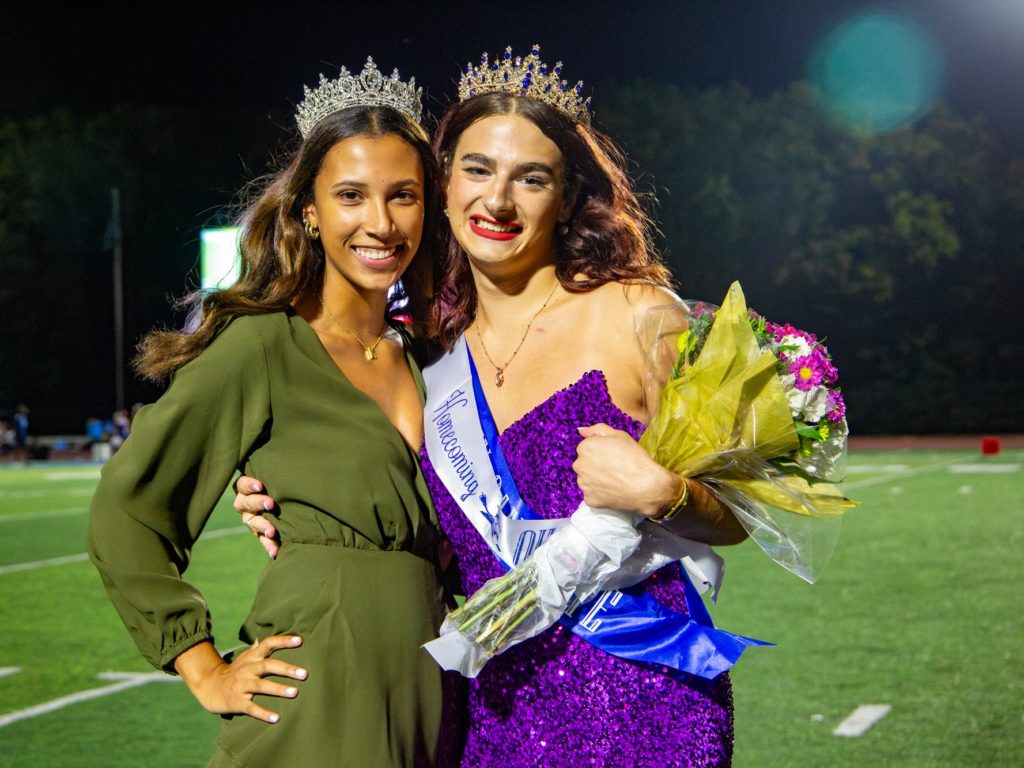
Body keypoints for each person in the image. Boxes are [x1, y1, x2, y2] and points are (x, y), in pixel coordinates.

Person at [237, 47, 747, 766]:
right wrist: (283, 495)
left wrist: (664, 493)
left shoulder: (639, 315)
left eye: (530, 178)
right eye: (476, 170)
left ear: (567, 197)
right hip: (490, 704)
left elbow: (734, 518)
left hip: (645, 701)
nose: (497, 201)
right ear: (443, 188)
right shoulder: (425, 359)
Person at [88, 58, 457, 767]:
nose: (379, 222)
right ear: (310, 212)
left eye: (402, 195)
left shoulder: (428, 358)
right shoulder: (261, 345)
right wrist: (203, 668)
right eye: (351, 195)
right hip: (315, 692)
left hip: (430, 692)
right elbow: (128, 511)